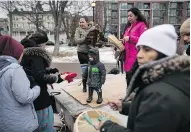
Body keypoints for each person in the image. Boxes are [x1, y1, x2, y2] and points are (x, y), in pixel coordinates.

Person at [97, 24, 190, 132]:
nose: (139, 55)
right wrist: (125, 107)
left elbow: (157, 107)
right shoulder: (167, 79)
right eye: (139, 49)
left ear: (162, 53)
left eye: (146, 50)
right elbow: (154, 114)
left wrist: (108, 128)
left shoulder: (160, 96)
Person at [20, 31, 70, 132]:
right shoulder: (36, 55)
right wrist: (57, 78)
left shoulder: (27, 53)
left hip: (31, 93)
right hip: (40, 97)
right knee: (45, 123)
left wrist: (49, 70)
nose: (45, 46)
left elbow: (32, 70)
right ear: (40, 44)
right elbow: (39, 75)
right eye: (45, 44)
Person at [0, 35, 40, 132]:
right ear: (15, 52)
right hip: (20, 125)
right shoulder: (15, 69)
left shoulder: (3, 67)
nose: (22, 55)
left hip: (5, 123)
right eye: (21, 52)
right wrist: (36, 87)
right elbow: (25, 97)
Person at [122, 7, 148, 87]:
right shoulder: (128, 27)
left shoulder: (141, 25)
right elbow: (125, 39)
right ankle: (129, 94)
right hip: (127, 56)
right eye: (128, 16)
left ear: (136, 16)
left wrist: (130, 38)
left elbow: (145, 39)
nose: (129, 18)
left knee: (135, 78)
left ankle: (134, 96)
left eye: (131, 16)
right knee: (128, 77)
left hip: (136, 57)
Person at [74, 16, 97, 92]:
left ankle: (93, 85)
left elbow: (95, 40)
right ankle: (84, 86)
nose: (81, 24)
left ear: (87, 22)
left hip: (91, 52)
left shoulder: (93, 29)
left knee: (93, 70)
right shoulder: (78, 30)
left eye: (82, 22)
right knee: (84, 70)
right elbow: (77, 40)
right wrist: (86, 38)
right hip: (81, 53)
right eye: (80, 22)